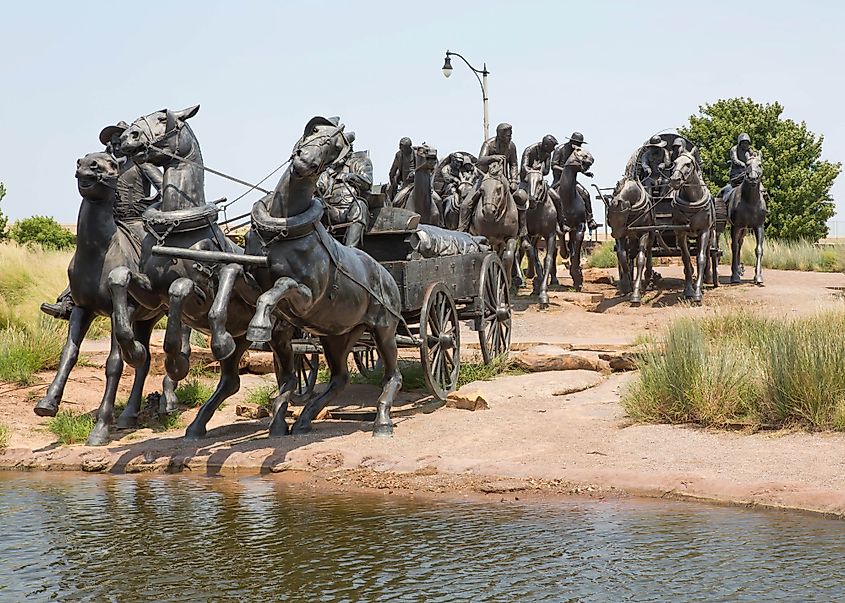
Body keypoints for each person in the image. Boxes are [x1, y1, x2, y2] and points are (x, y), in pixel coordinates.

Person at [40, 122, 163, 320]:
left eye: (118, 141)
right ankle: (70, 299)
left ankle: (159, 293)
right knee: (87, 253)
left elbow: (163, 189)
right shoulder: (103, 165)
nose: (115, 145)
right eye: (111, 142)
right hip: (110, 221)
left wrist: (151, 208)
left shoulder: (142, 163)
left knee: (150, 253)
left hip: (136, 221)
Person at [458, 122, 519, 233]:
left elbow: (514, 164)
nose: (510, 137)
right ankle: (462, 230)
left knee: (521, 198)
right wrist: (493, 157)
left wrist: (514, 180)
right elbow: (480, 160)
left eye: (511, 135)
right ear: (500, 135)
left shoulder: (512, 146)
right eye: (507, 135)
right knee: (466, 204)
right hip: (486, 178)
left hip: (503, 179)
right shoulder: (489, 144)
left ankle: (522, 232)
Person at [317, 131, 372, 248]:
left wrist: (351, 177)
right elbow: (320, 186)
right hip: (332, 211)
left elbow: (367, 182)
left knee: (360, 206)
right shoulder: (328, 169)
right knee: (316, 204)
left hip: (351, 208)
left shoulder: (360, 161)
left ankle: (351, 250)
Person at [551, 132, 598, 230]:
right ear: (572, 141)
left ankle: (590, 219)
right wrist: (566, 170)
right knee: (550, 196)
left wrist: (585, 173)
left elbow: (579, 166)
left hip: (572, 181)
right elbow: (554, 166)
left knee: (585, 194)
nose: (579, 146)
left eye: (580, 144)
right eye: (578, 143)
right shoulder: (560, 150)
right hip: (558, 181)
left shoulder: (577, 153)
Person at [387, 137, 414, 202]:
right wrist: (394, 184)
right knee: (396, 201)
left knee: (438, 200)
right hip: (405, 185)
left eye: (402, 147)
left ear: (409, 147)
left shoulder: (416, 154)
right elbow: (392, 172)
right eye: (400, 146)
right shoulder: (398, 155)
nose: (400, 148)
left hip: (418, 183)